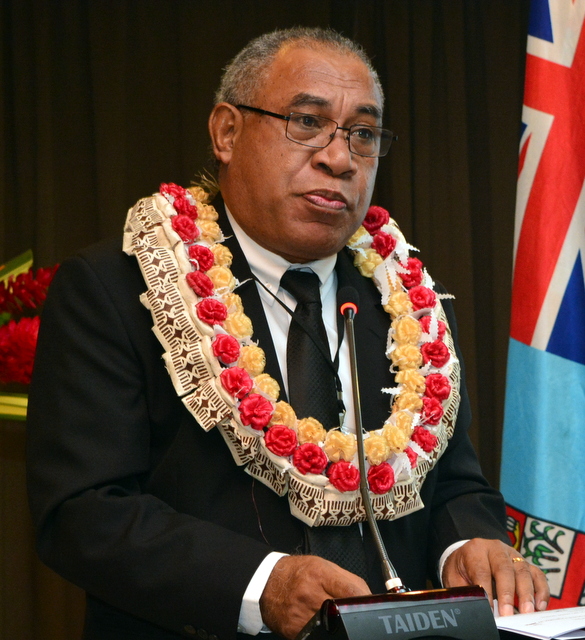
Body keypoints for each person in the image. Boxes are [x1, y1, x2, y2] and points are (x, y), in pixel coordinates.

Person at [26, 27, 549, 640]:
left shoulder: (412, 303)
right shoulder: (118, 291)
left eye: (364, 133)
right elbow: (82, 513)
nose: (339, 157)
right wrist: (259, 584)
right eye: (306, 121)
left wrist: (469, 540)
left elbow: (453, 481)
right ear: (226, 132)